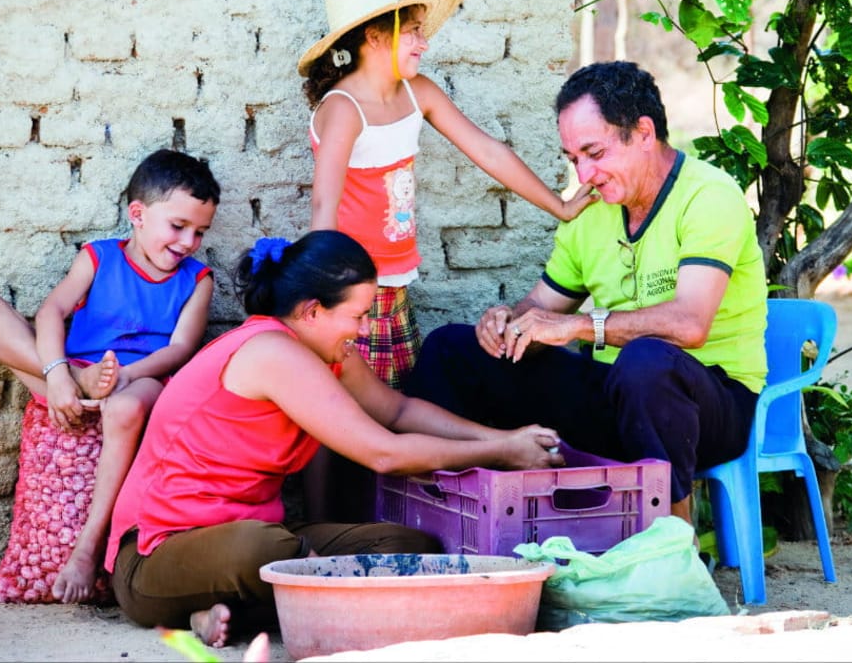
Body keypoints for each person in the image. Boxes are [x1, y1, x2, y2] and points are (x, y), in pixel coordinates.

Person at [105, 230, 564, 649]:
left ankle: (225, 616)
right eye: (358, 315)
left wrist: (508, 436)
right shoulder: (271, 351)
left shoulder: (330, 353)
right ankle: (226, 609)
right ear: (312, 311)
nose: (364, 330)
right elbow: (383, 453)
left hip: (265, 543)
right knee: (263, 549)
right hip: (154, 560)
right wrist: (502, 452)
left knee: (409, 550)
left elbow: (398, 411)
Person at [402, 60, 769, 529]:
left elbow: (689, 324)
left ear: (642, 132)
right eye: (573, 158)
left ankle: (674, 545)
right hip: (617, 399)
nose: (585, 173)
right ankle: (459, 523)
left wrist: (578, 326)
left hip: (711, 405)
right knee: (452, 349)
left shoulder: (709, 196)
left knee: (648, 362)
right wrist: (509, 324)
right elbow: (543, 306)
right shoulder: (593, 210)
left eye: (594, 153)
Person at [299, 0, 596, 389]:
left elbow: (486, 149)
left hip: (395, 286)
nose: (424, 42)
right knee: (358, 407)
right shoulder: (345, 109)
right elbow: (324, 204)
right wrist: (328, 297)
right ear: (376, 36)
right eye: (414, 31)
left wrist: (561, 206)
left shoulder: (417, 93)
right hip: (353, 290)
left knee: (400, 397)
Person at [0, 148, 220, 603]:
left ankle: (86, 549)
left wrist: (124, 376)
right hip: (70, 371)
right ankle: (72, 386)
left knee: (123, 407)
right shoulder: (99, 257)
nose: (188, 242)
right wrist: (61, 374)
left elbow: (181, 349)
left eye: (200, 232)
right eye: (178, 226)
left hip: (142, 376)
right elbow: (52, 311)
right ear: (138, 214)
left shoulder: (197, 280)